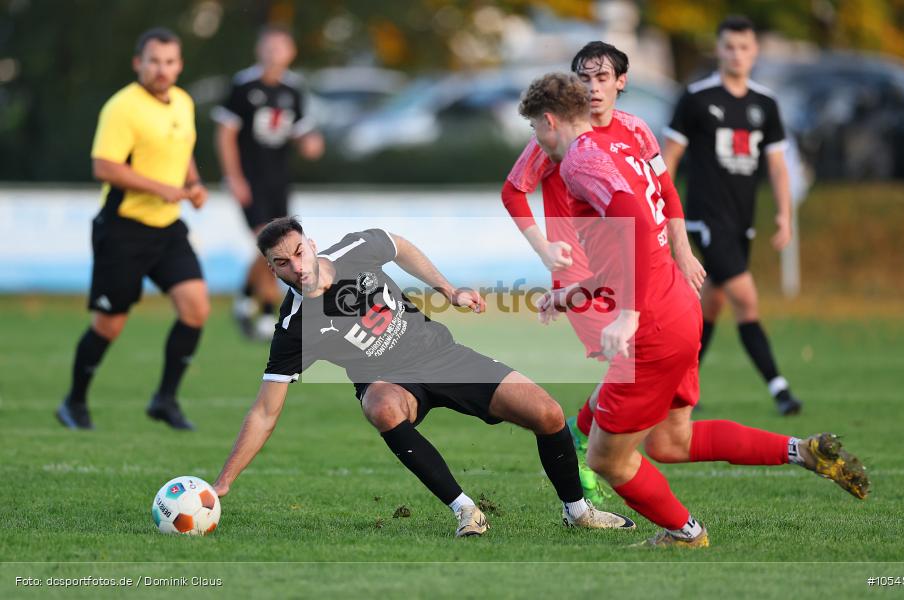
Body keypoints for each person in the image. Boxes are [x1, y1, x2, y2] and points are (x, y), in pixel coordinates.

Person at [519, 72, 869, 548]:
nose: (536, 139)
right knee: (671, 442)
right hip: (680, 304)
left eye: (535, 128)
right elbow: (631, 244)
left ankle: (685, 533)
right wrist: (573, 293)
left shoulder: (580, 162)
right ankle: (802, 451)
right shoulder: (615, 153)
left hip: (654, 325)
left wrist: (628, 316)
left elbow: (638, 227)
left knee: (608, 460)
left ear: (550, 120)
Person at [212, 217, 635, 537]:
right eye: (281, 263)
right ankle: (465, 509)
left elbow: (398, 246)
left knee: (547, 413)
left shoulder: (355, 249)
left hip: (442, 355)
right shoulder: (294, 327)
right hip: (388, 381)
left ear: (312, 244)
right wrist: (223, 483)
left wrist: (447, 289)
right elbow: (266, 412)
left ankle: (578, 511)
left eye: (299, 252)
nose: (296, 267)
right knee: (380, 406)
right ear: (271, 270)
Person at [501, 41, 706, 503]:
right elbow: (513, 192)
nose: (592, 87)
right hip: (586, 276)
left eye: (601, 77)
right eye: (583, 78)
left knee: (634, 368)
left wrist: (681, 250)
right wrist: (545, 248)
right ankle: (595, 454)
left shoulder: (635, 131)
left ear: (620, 82)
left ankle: (589, 442)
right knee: (628, 362)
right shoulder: (557, 138)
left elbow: (663, 195)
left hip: (630, 275)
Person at [56, 28, 209, 431]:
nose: (162, 69)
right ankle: (73, 402)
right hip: (123, 230)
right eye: (154, 61)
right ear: (138, 63)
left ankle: (165, 400)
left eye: (170, 62)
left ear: (179, 65)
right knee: (110, 324)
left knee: (196, 308)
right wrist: (164, 188)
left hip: (167, 229)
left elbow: (183, 146)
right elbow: (104, 167)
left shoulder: (183, 101)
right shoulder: (122, 107)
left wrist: (192, 183)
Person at [662, 15, 801, 415]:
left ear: (754, 52)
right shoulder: (696, 98)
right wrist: (661, 209)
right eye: (729, 46)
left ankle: (681, 387)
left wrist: (784, 215)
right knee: (746, 298)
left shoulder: (765, 104)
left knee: (712, 306)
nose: (736, 54)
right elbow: (669, 158)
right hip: (705, 219)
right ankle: (780, 388)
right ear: (718, 49)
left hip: (744, 220)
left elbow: (776, 165)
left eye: (744, 47)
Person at [212, 25, 324, 341]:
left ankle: (245, 295)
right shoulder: (243, 85)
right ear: (258, 50)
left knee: (268, 246)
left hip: (279, 181)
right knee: (273, 244)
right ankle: (264, 315)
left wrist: (311, 142)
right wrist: (233, 177)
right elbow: (225, 133)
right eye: (269, 46)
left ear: (291, 52)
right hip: (250, 179)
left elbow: (302, 130)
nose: (275, 53)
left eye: (281, 47)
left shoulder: (293, 89)